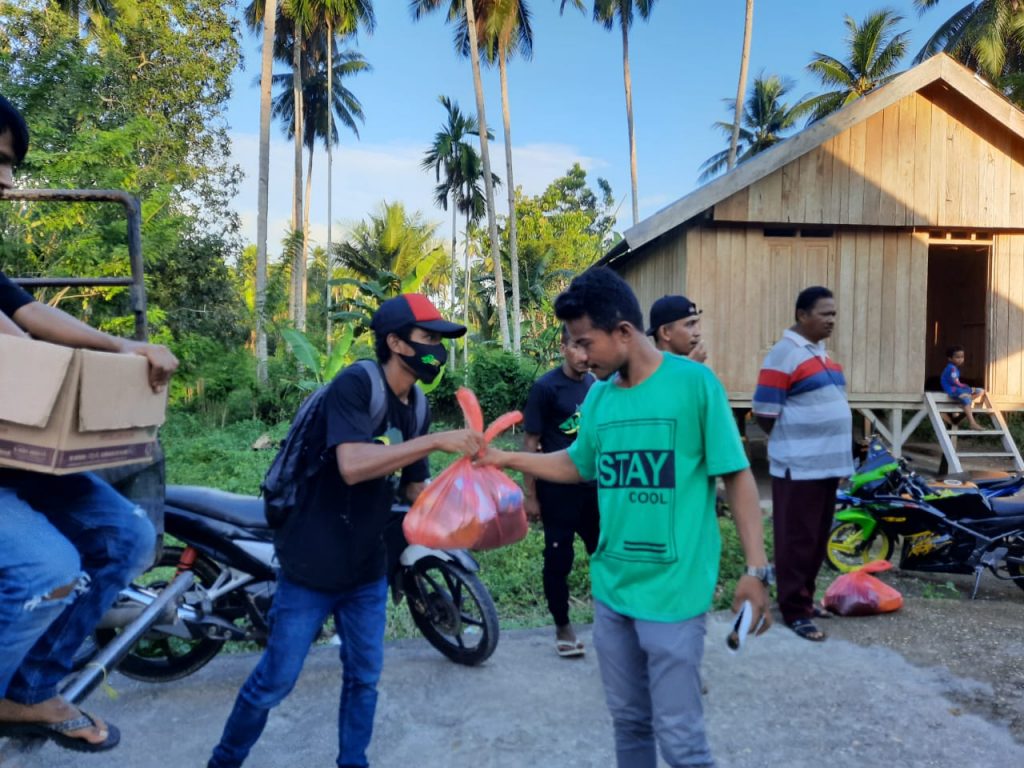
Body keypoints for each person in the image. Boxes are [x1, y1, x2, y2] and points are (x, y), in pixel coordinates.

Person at [481, 267, 772, 768]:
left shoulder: (695, 385)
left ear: (623, 332)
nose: (580, 354)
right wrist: (506, 459)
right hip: (612, 589)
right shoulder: (599, 397)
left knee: (681, 739)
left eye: (585, 341)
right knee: (629, 723)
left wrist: (755, 569)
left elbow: (737, 476)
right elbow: (577, 463)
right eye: (573, 343)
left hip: (674, 593)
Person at [207, 293, 484, 768]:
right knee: (276, 680)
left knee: (363, 678)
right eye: (428, 338)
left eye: (441, 340)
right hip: (312, 565)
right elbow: (353, 465)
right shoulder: (356, 385)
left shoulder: (416, 406)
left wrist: (466, 501)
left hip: (367, 570)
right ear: (395, 342)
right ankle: (224, 761)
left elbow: (413, 487)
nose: (438, 349)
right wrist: (436, 440)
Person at [0, 94, 179, 752]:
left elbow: (27, 318)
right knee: (48, 566)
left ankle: (29, 691)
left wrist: (122, 348)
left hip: (16, 457)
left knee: (127, 537)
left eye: (11, 165)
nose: (8, 181)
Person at [752, 286, 853, 642]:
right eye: (825, 314)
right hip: (799, 465)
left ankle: (805, 601)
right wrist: (791, 442)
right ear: (802, 315)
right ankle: (794, 611)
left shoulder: (822, 354)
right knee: (796, 540)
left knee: (815, 539)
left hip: (825, 466)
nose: (831, 321)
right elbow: (764, 411)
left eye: (834, 314)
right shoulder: (784, 354)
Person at [522, 324, 599, 657]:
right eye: (578, 347)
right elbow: (530, 444)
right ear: (563, 347)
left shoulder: (597, 386)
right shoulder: (545, 388)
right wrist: (530, 495)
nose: (585, 356)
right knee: (558, 559)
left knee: (606, 556)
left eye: (589, 347)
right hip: (557, 492)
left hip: (595, 490)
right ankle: (563, 626)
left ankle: (613, 620)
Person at [646, 294, 706, 363]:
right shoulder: (643, 370)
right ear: (665, 332)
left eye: (696, 323)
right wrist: (692, 367)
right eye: (689, 324)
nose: (697, 333)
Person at [941, 345, 986, 430]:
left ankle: (968, 400)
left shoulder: (954, 368)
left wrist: (967, 388)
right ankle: (972, 423)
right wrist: (968, 388)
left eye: (962, 357)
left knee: (981, 391)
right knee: (968, 395)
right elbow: (955, 383)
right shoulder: (952, 369)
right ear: (950, 358)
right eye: (957, 357)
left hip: (957, 389)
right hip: (952, 390)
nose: (960, 359)